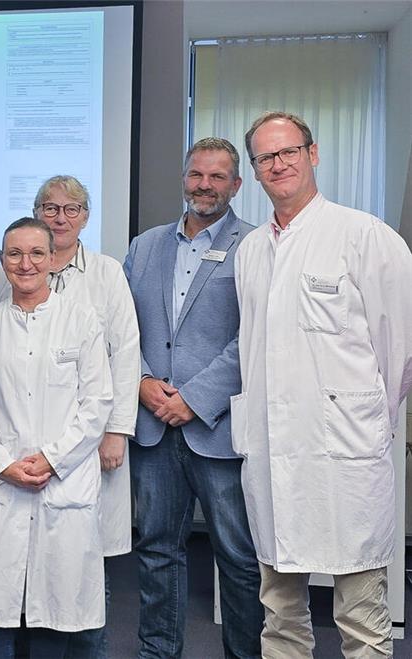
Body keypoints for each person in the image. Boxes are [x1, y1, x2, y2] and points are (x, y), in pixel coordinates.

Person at [234, 111, 412, 658]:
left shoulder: (365, 236)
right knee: (280, 613)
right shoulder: (250, 252)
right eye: (266, 157)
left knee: (361, 615)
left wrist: (366, 421)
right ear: (256, 172)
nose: (279, 164)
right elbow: (254, 354)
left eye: (289, 151)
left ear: (313, 154)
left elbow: (398, 350)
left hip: (346, 457)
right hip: (273, 455)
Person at [0, 175, 140, 656]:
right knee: (24, 565)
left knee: (84, 561)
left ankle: (91, 651)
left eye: (72, 209)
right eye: (49, 208)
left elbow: (125, 352)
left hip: (89, 441)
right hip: (21, 445)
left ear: (86, 217)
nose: (60, 217)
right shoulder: (11, 272)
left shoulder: (107, 272)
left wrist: (116, 430)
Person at [123, 137, 262, 658]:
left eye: (217, 176)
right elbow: (120, 329)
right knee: (157, 552)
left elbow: (253, 339)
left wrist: (196, 398)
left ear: (236, 185)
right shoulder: (144, 245)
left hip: (217, 428)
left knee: (238, 557)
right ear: (184, 178)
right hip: (154, 426)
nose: (205, 185)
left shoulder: (256, 246)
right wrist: (139, 381)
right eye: (196, 175)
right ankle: (158, 653)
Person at [0, 216, 113, 658]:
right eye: (14, 254)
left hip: (62, 481)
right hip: (2, 482)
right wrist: (4, 463)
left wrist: (51, 459)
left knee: (55, 603)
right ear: (1, 260)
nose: (25, 263)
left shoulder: (81, 320)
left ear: (51, 260)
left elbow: (97, 402)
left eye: (36, 253)